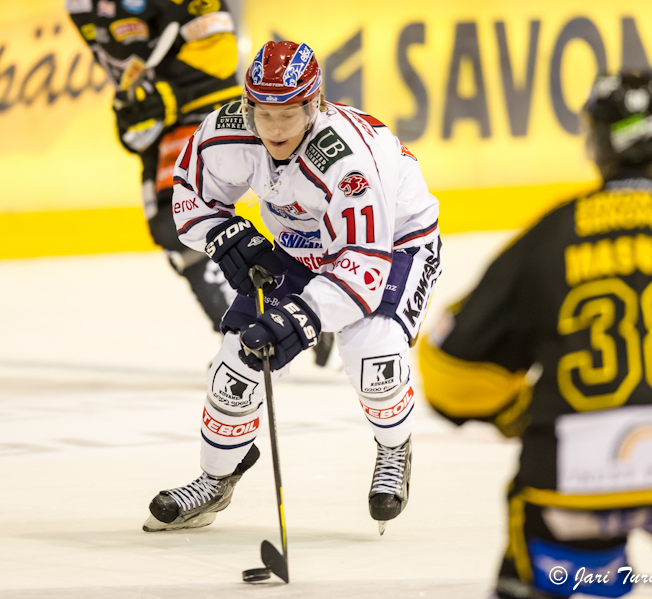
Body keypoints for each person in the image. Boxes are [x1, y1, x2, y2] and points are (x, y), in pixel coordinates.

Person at [142, 40, 441, 533]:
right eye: (263, 114)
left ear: (315, 104)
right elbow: (190, 195)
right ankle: (215, 479)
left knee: (375, 358)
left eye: (289, 114)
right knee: (237, 367)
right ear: (247, 106)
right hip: (298, 245)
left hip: (392, 243)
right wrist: (224, 234)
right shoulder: (225, 133)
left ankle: (394, 446)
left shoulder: (349, 162)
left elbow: (364, 265)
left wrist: (302, 319)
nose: (275, 129)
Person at [418, 69, 652, 597]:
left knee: (541, 580)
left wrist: (514, 413)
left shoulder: (552, 235)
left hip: (576, 487)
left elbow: (449, 367)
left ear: (594, 141)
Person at [66, 0, 242, 328]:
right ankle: (244, 334)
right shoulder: (79, 6)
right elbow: (122, 63)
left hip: (205, 105)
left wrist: (163, 96)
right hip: (163, 118)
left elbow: (220, 55)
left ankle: (295, 310)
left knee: (184, 219)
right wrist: (134, 105)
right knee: (171, 230)